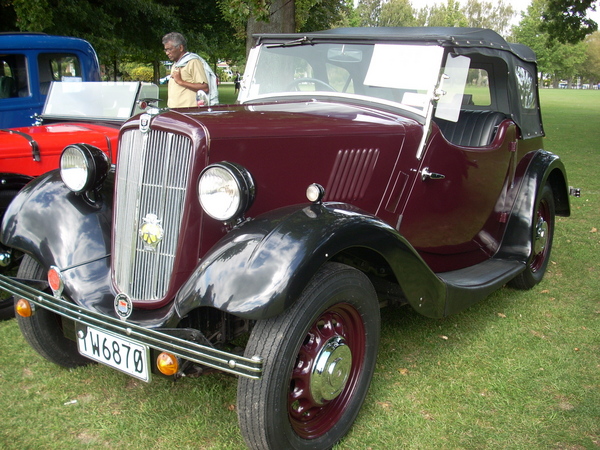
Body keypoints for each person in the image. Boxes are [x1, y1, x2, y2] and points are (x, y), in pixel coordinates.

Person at [162, 32, 209, 108]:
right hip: (174, 111)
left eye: (169, 49)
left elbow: (204, 87)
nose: (167, 53)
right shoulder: (176, 64)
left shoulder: (193, 62)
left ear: (180, 48)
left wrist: (180, 81)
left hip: (188, 112)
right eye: (166, 50)